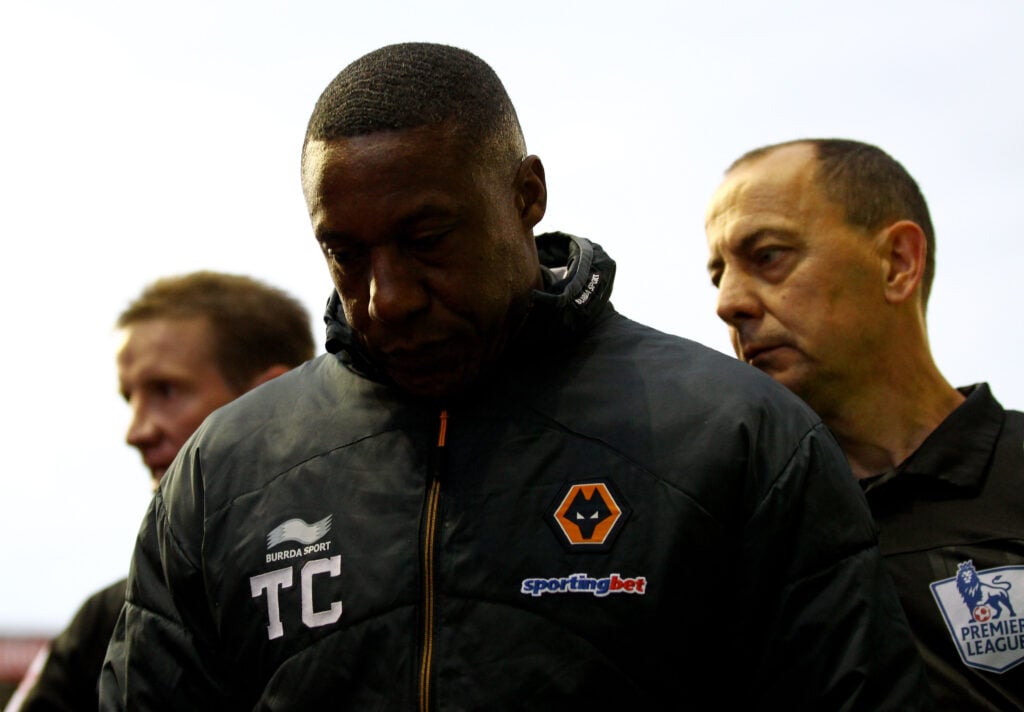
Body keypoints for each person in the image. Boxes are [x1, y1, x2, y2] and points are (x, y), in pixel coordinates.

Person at [99, 44, 929, 710]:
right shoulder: (225, 473)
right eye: (345, 254)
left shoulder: (738, 439)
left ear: (526, 194)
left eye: (427, 239)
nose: (385, 297)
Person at [705, 137, 1024, 709]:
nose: (728, 302)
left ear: (897, 263)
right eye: (717, 274)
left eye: (768, 255)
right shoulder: (724, 522)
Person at [9, 271, 315, 712]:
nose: (136, 431)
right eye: (129, 397)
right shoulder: (106, 620)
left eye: (166, 390)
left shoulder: (369, 580)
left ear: (269, 398)